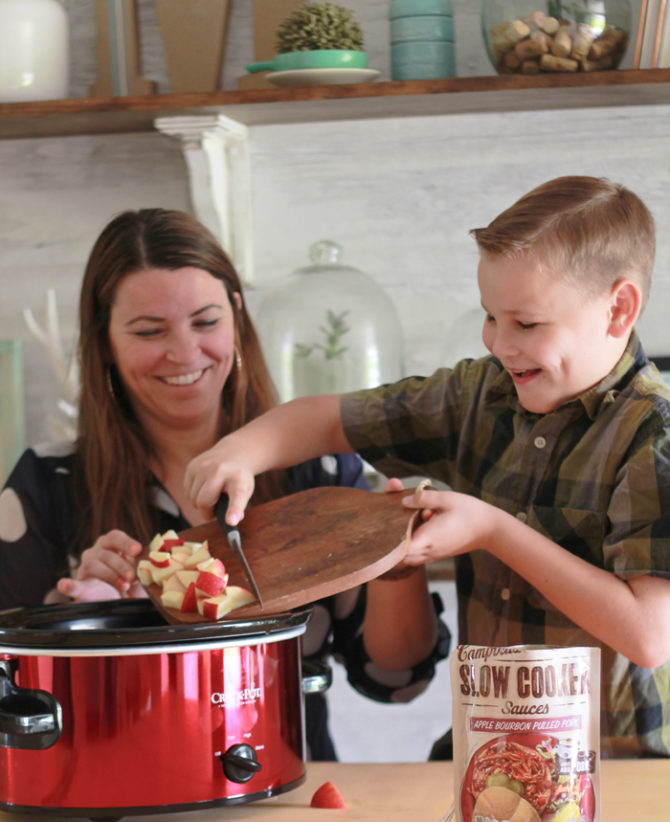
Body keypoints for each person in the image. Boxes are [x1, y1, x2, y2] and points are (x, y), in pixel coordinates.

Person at [183, 176, 670, 759]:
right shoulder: (476, 395)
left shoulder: (655, 438)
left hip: (617, 767)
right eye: (491, 317)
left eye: (527, 324)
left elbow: (648, 635)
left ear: (618, 309)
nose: (500, 344)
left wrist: (491, 530)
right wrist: (237, 452)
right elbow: (325, 419)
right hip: (487, 751)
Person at [0, 208, 449, 761]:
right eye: (149, 331)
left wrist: (398, 557)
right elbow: (16, 703)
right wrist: (82, 614)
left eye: (206, 322)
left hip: (287, 793)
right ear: (104, 340)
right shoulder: (44, 486)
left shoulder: (318, 472)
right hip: (113, 806)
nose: (185, 352)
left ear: (237, 316)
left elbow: (395, 678)